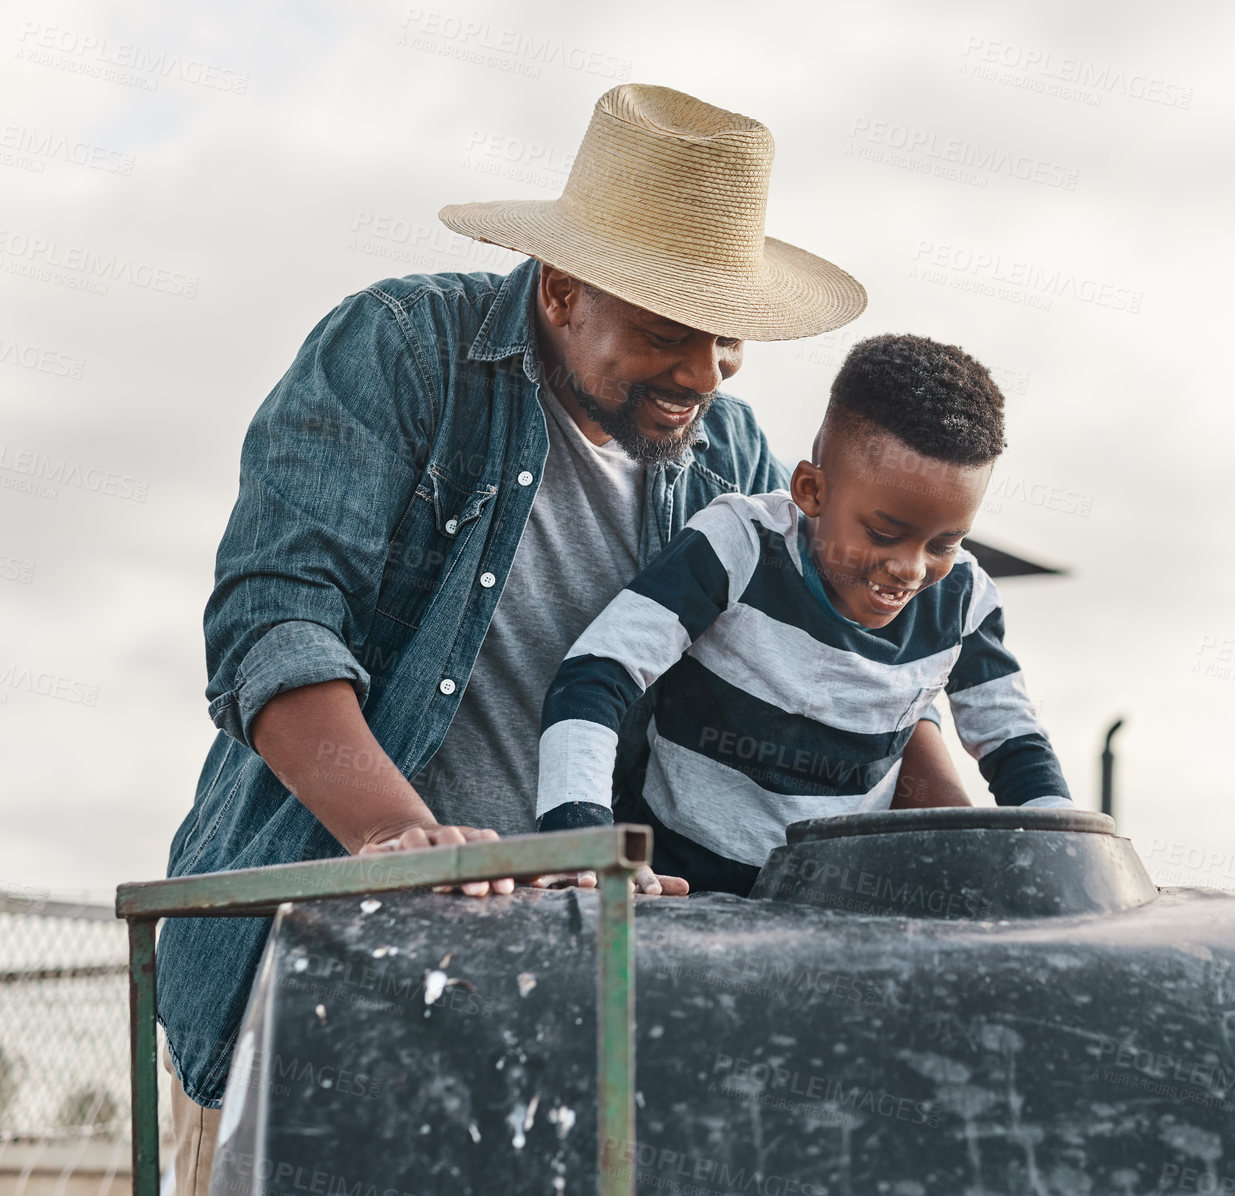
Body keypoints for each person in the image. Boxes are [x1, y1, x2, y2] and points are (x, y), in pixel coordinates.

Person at [154, 84, 968, 1194]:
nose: (703, 373)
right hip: (328, 963)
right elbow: (274, 620)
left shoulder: (729, 452)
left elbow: (840, 669)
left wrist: (986, 843)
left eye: (725, 338)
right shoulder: (401, 355)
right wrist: (405, 839)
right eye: (665, 333)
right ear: (561, 286)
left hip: (578, 993)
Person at [537, 333, 1072, 893]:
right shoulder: (737, 546)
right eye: (885, 534)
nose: (910, 569)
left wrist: (1061, 860)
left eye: (944, 543)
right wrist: (582, 837)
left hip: (837, 909)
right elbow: (597, 674)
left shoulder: (963, 599)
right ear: (811, 490)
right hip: (680, 896)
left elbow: (1014, 739)